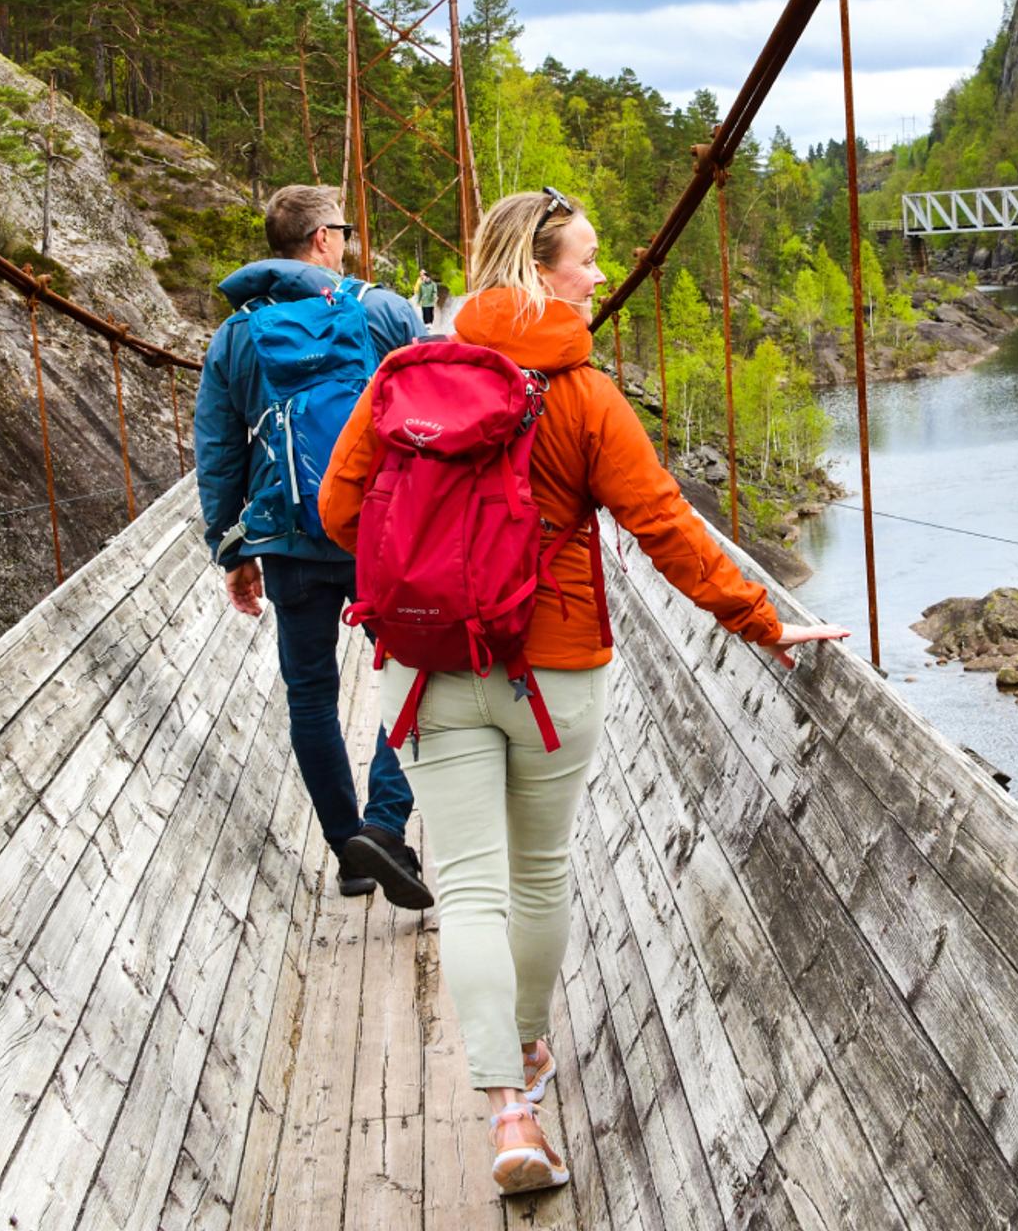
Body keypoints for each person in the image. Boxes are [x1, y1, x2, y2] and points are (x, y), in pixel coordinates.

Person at [319, 187, 846, 1196]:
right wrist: (760, 618)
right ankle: (523, 1050)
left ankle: (507, 1116)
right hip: (552, 665)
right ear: (541, 264)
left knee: (468, 885)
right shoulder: (583, 392)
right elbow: (665, 527)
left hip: (423, 670)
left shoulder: (399, 376)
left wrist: (431, 572)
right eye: (588, 259)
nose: (601, 276)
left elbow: (340, 513)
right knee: (538, 873)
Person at [194, 183, 436, 909]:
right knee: (418, 673)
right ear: (325, 240)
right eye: (345, 228)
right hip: (380, 529)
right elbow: (437, 398)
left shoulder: (237, 336)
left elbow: (217, 449)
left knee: (311, 694)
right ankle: (387, 825)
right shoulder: (381, 311)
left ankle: (349, 849)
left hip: (290, 540)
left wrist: (230, 549)